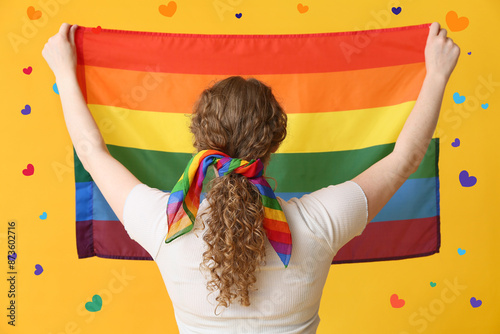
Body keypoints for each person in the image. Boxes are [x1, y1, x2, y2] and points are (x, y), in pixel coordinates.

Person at [42, 22, 460, 333]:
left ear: (200, 140)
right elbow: (406, 158)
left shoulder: (165, 224)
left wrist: (63, 69)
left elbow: (91, 152)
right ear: (274, 140)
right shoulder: (319, 224)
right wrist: (437, 74)